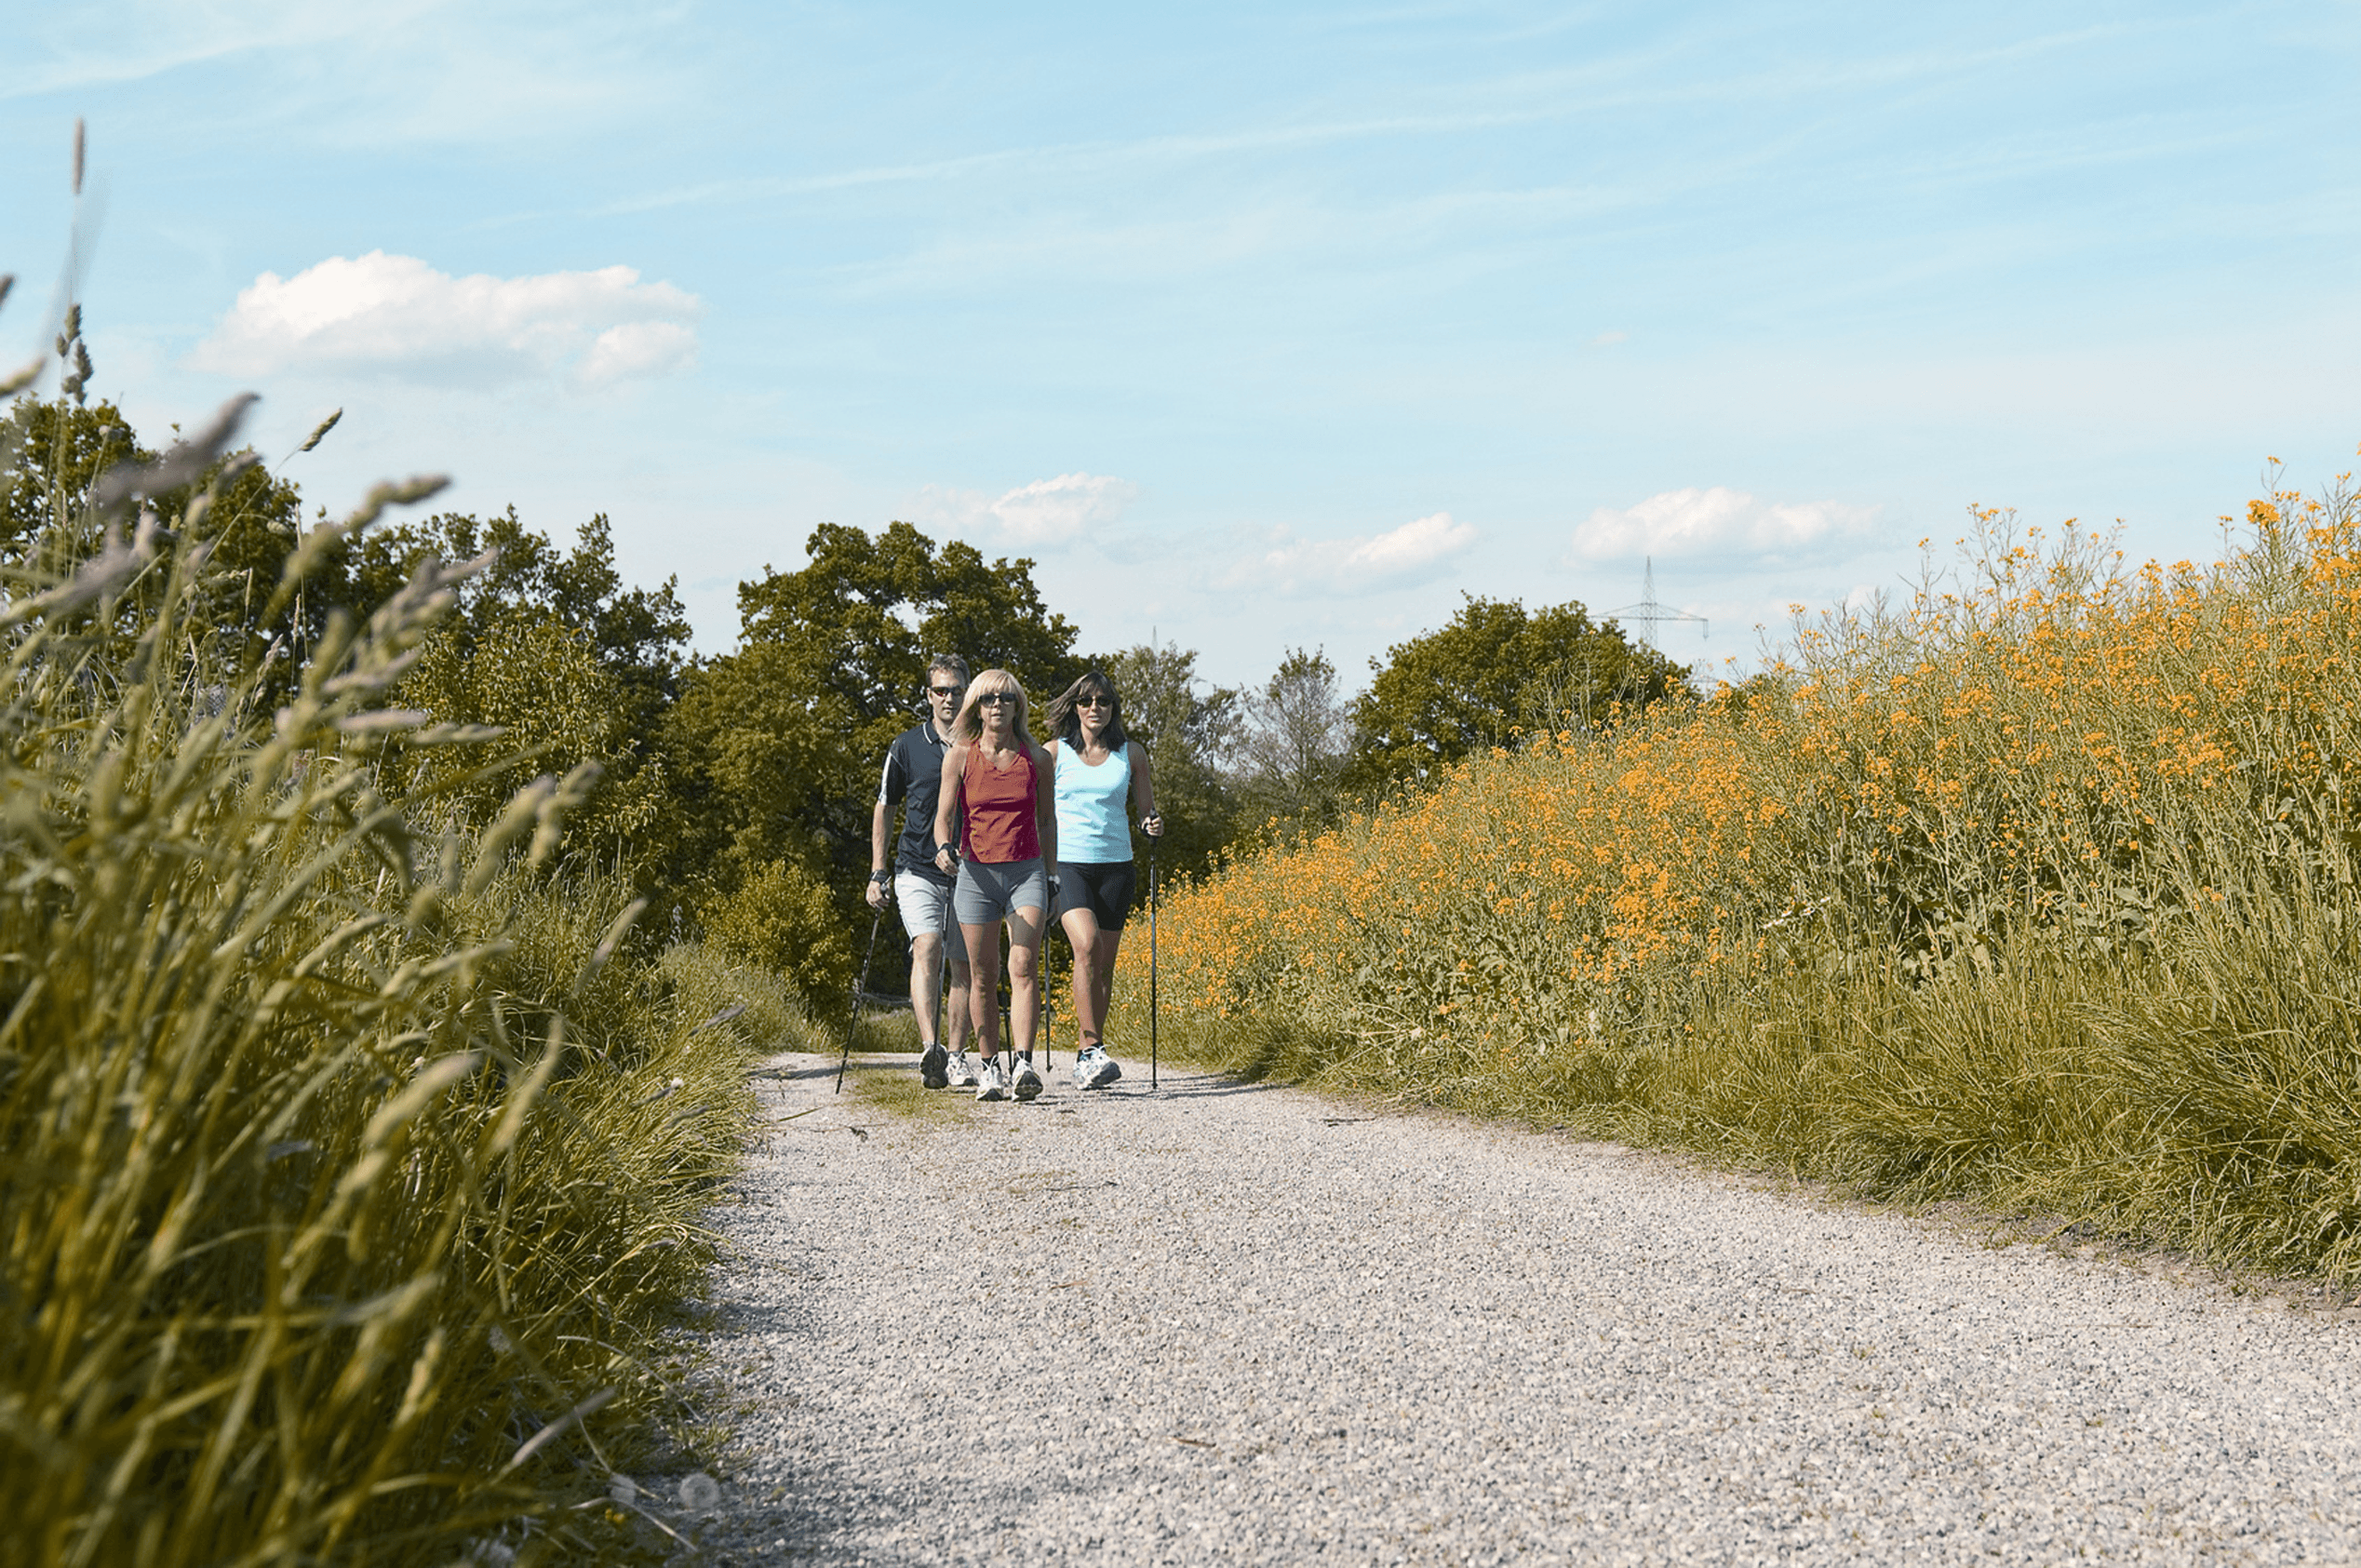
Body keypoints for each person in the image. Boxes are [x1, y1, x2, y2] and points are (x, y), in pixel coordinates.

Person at [931, 669, 1056, 1102]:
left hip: (1026, 872)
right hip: (976, 874)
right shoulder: (960, 756)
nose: (997, 705)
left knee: (1022, 966)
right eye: (988, 699)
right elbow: (944, 816)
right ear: (977, 707)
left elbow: (1046, 819)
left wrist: (1053, 874)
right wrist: (944, 846)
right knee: (982, 974)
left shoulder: (1036, 758)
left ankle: (1023, 1064)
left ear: (1017, 705)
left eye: (1005, 698)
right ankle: (989, 1068)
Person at [1043, 670, 1160, 1090]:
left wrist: (1152, 824)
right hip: (1070, 865)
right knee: (1087, 946)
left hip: (1117, 866)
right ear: (1075, 707)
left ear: (1113, 709)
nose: (1096, 708)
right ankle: (1093, 1051)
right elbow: (1039, 812)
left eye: (1104, 701)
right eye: (1088, 701)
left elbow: (1146, 809)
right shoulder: (1054, 754)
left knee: (1104, 967)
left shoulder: (1132, 754)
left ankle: (1087, 1054)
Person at [868, 654, 976, 1089]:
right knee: (927, 945)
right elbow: (885, 807)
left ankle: (956, 1056)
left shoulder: (982, 746)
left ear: (969, 692)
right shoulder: (906, 746)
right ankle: (931, 1049)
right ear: (928, 695)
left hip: (972, 869)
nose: (949, 698)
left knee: (964, 965)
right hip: (916, 867)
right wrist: (878, 872)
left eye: (956, 690)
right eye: (940, 690)